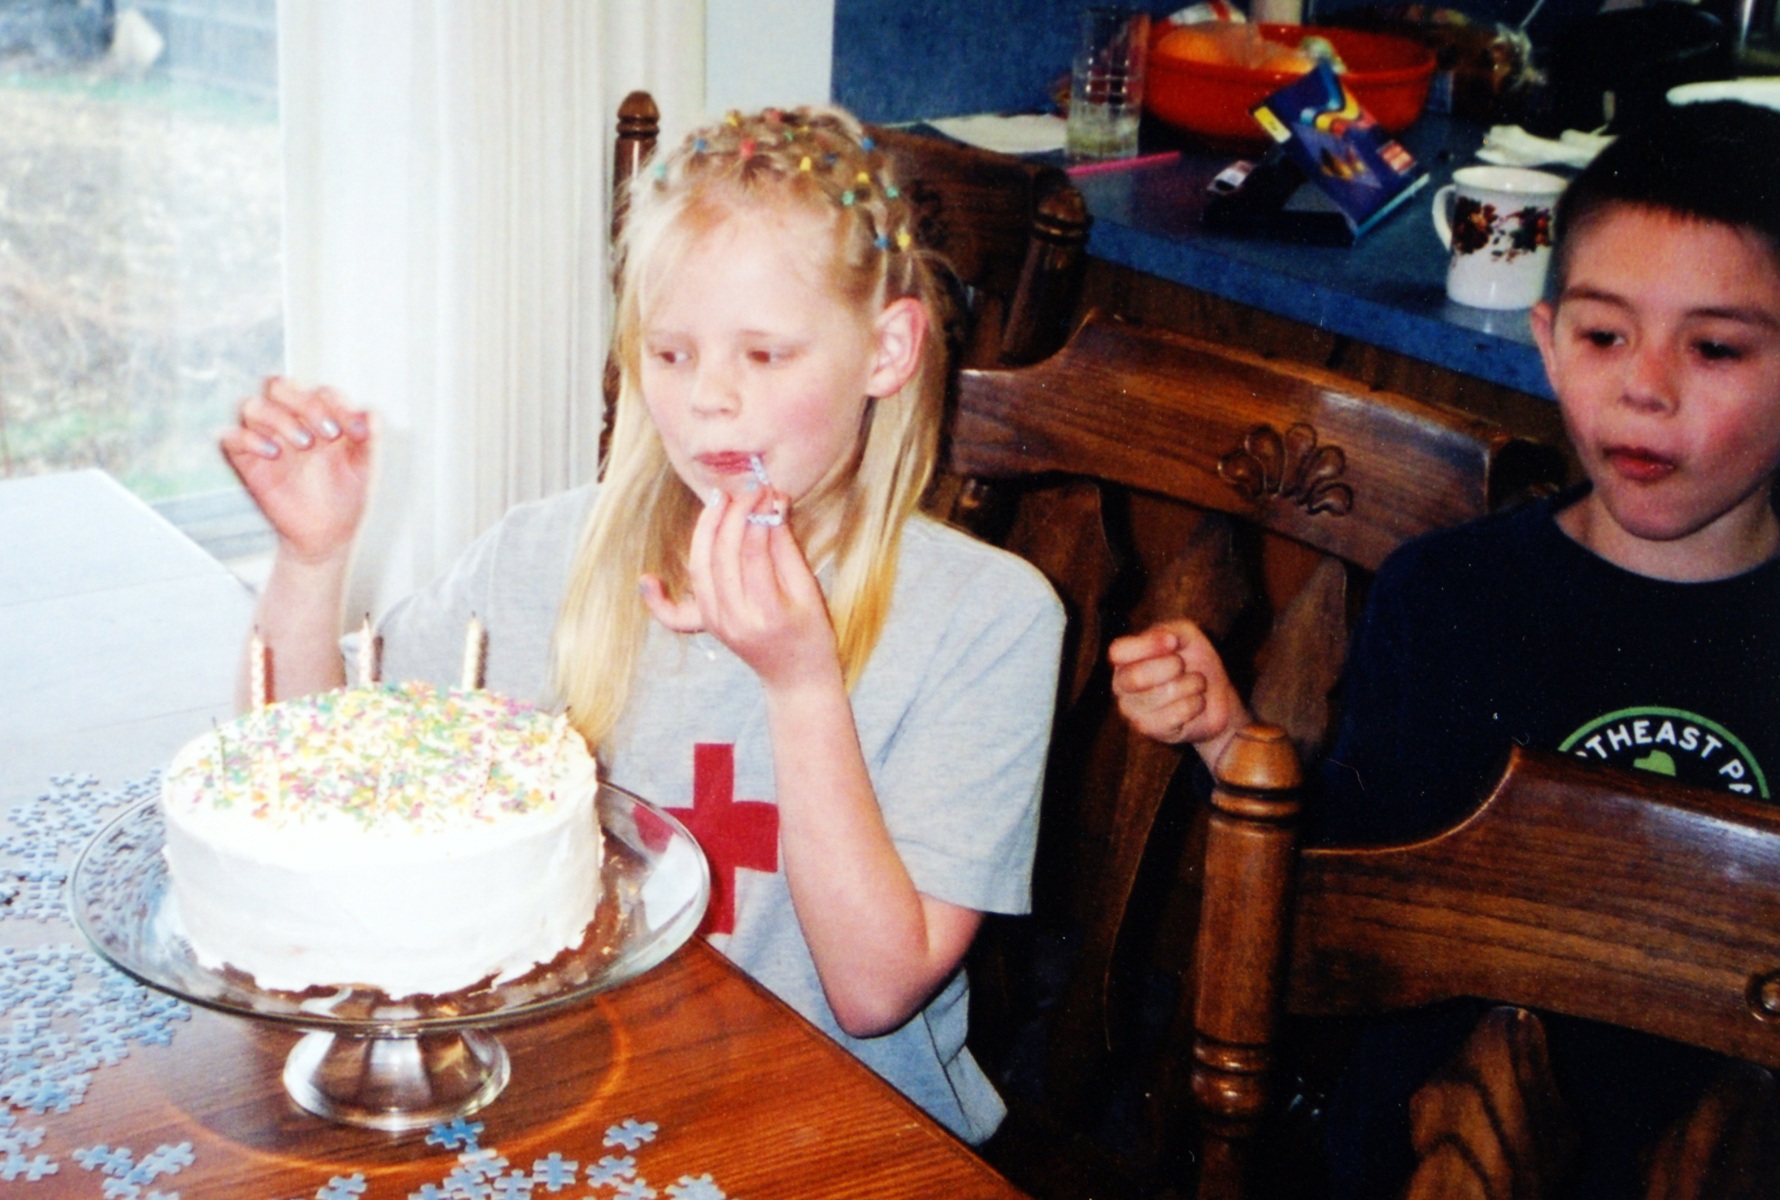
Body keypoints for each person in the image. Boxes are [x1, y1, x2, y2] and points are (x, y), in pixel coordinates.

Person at [220, 104, 1065, 1144]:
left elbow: (873, 993)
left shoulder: (991, 619)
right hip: (569, 1093)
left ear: (886, 350)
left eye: (765, 355)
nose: (709, 398)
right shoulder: (543, 558)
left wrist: (800, 682)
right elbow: (306, 790)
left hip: (841, 1134)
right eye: (669, 353)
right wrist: (312, 562)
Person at [1109, 98, 1780, 1196]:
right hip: (1427, 1161)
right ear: (1547, 343)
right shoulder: (1450, 596)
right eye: (1604, 335)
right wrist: (1230, 740)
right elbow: (1341, 901)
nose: (1645, 386)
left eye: (1713, 347)